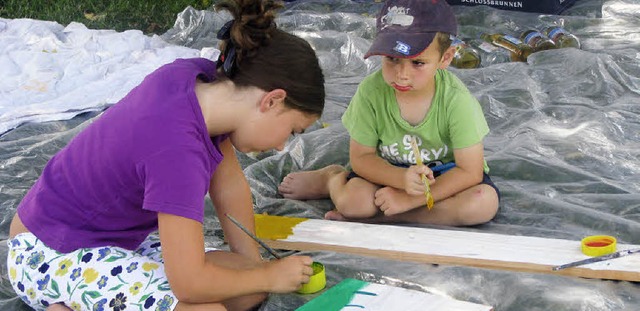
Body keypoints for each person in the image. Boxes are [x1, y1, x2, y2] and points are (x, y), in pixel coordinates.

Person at [6, 0, 325, 310]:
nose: (284, 146)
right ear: (272, 101)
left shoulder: (202, 83)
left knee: (246, 292)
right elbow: (187, 284)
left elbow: (229, 187)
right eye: (293, 130)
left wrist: (255, 270)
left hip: (114, 239)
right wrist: (268, 276)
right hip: (49, 252)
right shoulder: (176, 149)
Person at [278, 0, 500, 226]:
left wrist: (409, 199)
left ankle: (383, 217)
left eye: (418, 63)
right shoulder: (371, 92)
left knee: (482, 204)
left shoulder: (457, 100)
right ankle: (332, 178)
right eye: (392, 59)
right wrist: (401, 180)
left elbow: (469, 171)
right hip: (387, 173)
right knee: (354, 202)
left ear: (445, 58)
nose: (402, 74)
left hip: (443, 177)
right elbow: (361, 158)